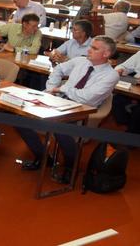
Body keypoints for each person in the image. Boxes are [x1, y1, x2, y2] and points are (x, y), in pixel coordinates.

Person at [15, 36, 119, 183]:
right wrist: (52, 88)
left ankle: (71, 166)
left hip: (82, 109)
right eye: (91, 46)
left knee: (60, 126)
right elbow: (58, 69)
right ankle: (43, 156)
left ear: (106, 54)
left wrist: (63, 88)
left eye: (95, 48)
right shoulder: (81, 61)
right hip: (60, 100)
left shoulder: (111, 75)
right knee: (19, 117)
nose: (89, 49)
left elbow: (88, 97)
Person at [113, 49, 140, 134]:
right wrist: (120, 69)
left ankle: (132, 137)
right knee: (116, 100)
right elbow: (124, 66)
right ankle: (127, 127)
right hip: (136, 87)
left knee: (139, 111)